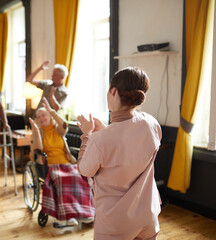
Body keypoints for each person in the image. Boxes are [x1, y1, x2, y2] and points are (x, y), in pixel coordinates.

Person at [77, 67, 162, 240]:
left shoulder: (100, 140)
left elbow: (85, 170)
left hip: (115, 224)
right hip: (148, 217)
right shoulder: (151, 123)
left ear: (113, 91)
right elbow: (127, 145)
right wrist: (106, 131)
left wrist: (87, 135)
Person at [29, 97, 94, 227]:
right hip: (51, 166)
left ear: (49, 116)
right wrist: (36, 131)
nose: (41, 118)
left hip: (66, 163)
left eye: (44, 115)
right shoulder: (39, 133)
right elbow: (38, 149)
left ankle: (84, 213)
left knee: (80, 177)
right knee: (61, 179)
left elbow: (64, 124)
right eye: (39, 116)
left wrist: (51, 110)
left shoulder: (58, 130)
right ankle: (68, 216)